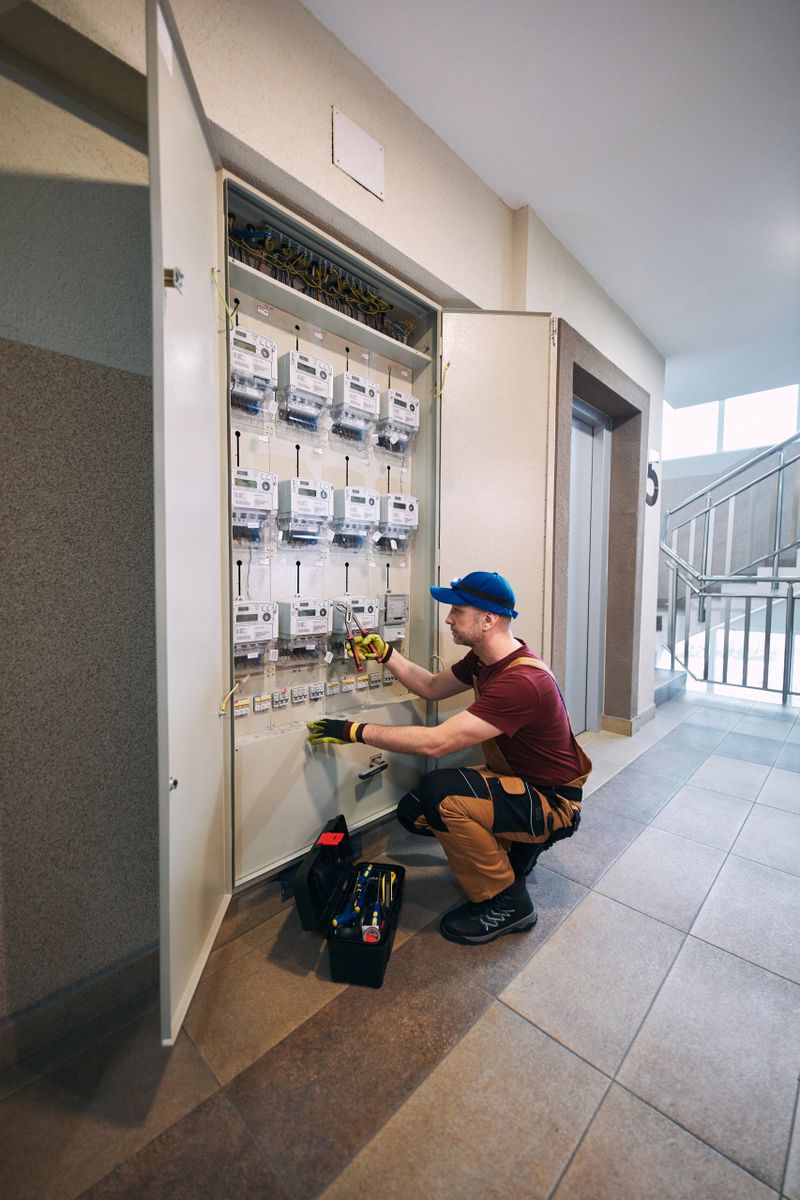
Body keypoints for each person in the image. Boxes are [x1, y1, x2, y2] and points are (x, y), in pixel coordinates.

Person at [306, 571, 591, 945]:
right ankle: (518, 848)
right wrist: (388, 655)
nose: (448, 618)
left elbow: (436, 743)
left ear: (488, 620)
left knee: (440, 795)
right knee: (415, 809)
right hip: (523, 785)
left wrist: (353, 731)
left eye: (457, 610)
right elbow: (430, 687)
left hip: (552, 801)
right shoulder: (483, 660)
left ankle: (508, 902)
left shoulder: (520, 682)